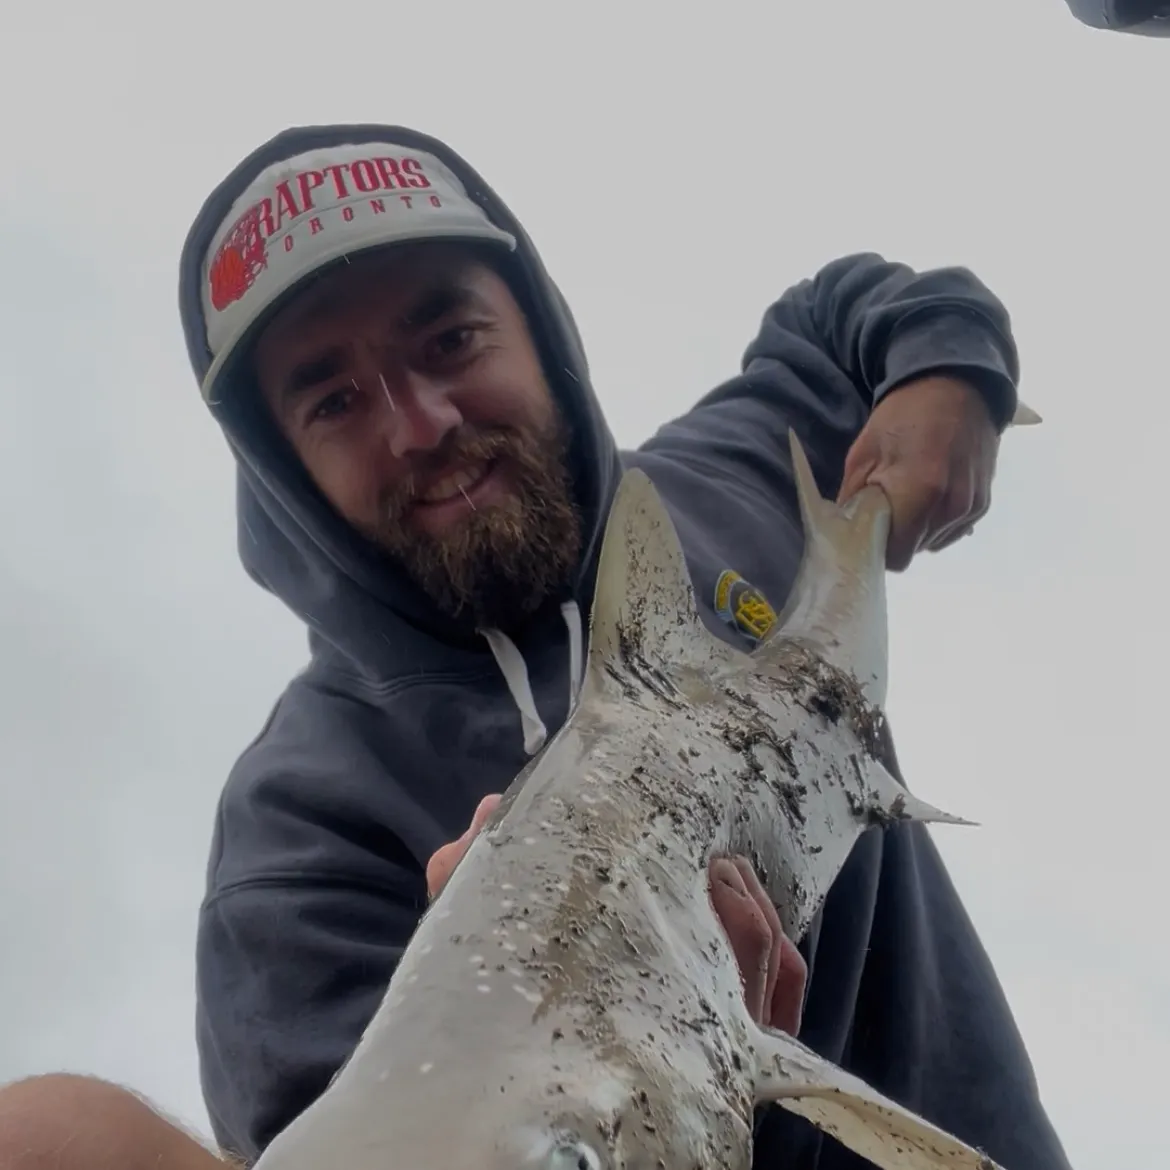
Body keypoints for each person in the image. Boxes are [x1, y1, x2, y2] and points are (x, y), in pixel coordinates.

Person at [0, 123, 1071, 1170]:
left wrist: (949, 370)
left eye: (449, 340)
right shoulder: (295, 850)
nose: (418, 423)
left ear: (542, 329)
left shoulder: (720, 476)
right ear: (283, 477)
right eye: (332, 399)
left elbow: (839, 315)